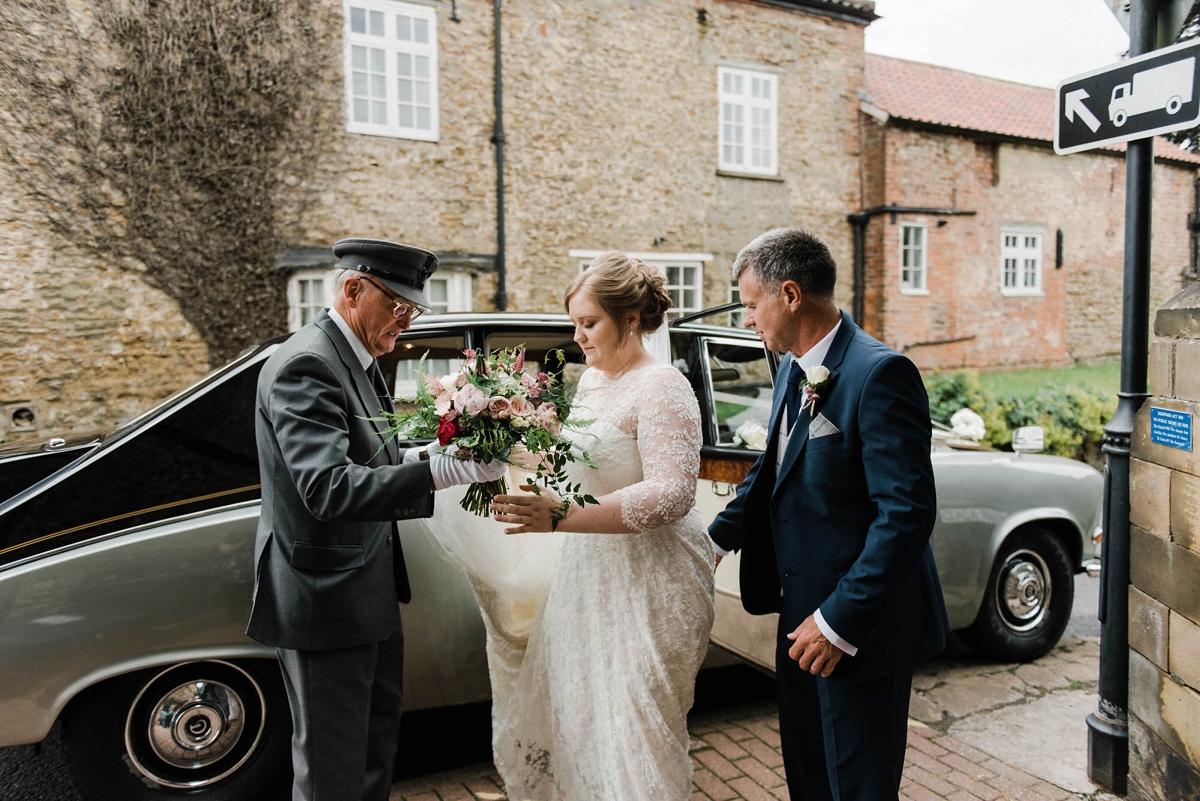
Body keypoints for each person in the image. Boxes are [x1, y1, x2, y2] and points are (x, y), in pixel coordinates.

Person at [443, 251, 715, 800]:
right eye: (575, 324)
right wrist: (511, 447)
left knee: (639, 726)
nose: (579, 337)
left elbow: (672, 493)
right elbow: (581, 464)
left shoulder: (663, 387)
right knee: (586, 717)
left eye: (588, 323)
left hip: (651, 583)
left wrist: (562, 516)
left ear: (631, 319)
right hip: (587, 576)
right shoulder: (590, 382)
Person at [246, 238, 507, 801]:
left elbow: (368, 456)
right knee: (331, 767)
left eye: (414, 310)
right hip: (325, 597)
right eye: (397, 306)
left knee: (371, 750)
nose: (405, 321)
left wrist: (429, 458)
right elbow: (327, 487)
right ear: (352, 289)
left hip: (364, 588)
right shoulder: (309, 362)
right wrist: (442, 471)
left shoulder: (354, 358)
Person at [708, 228, 950, 800]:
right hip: (799, 625)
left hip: (857, 632)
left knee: (858, 789)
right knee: (811, 781)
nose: (746, 320)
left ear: (790, 295)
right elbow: (773, 469)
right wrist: (711, 541)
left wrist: (839, 621)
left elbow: (907, 514)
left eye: (750, 304)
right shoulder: (793, 367)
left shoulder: (881, 373)